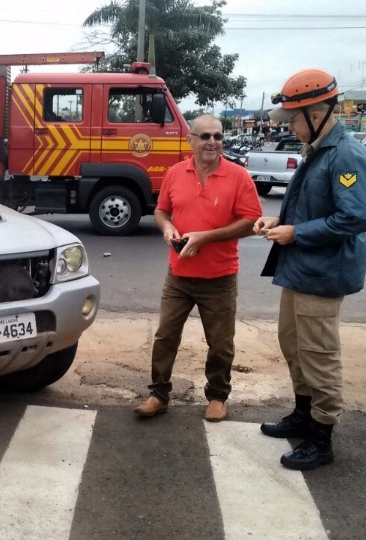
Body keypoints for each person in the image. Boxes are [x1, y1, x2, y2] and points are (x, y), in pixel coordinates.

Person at [253, 69, 366, 471]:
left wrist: (296, 233)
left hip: (322, 273)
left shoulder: (346, 155)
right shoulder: (316, 151)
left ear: (317, 114)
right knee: (293, 344)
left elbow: (353, 218)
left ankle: (322, 436)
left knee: (319, 354)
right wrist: (278, 221)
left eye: (293, 119)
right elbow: (312, 206)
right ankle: (303, 413)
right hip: (300, 268)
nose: (289, 126)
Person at [133, 115, 263, 422]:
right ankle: (158, 395)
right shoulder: (176, 173)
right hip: (178, 275)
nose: (212, 142)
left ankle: (217, 396)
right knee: (165, 337)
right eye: (205, 136)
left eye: (218, 136)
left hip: (219, 277)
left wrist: (206, 237)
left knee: (220, 344)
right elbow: (161, 211)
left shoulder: (238, 176)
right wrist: (167, 228)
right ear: (190, 140)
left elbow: (251, 222)